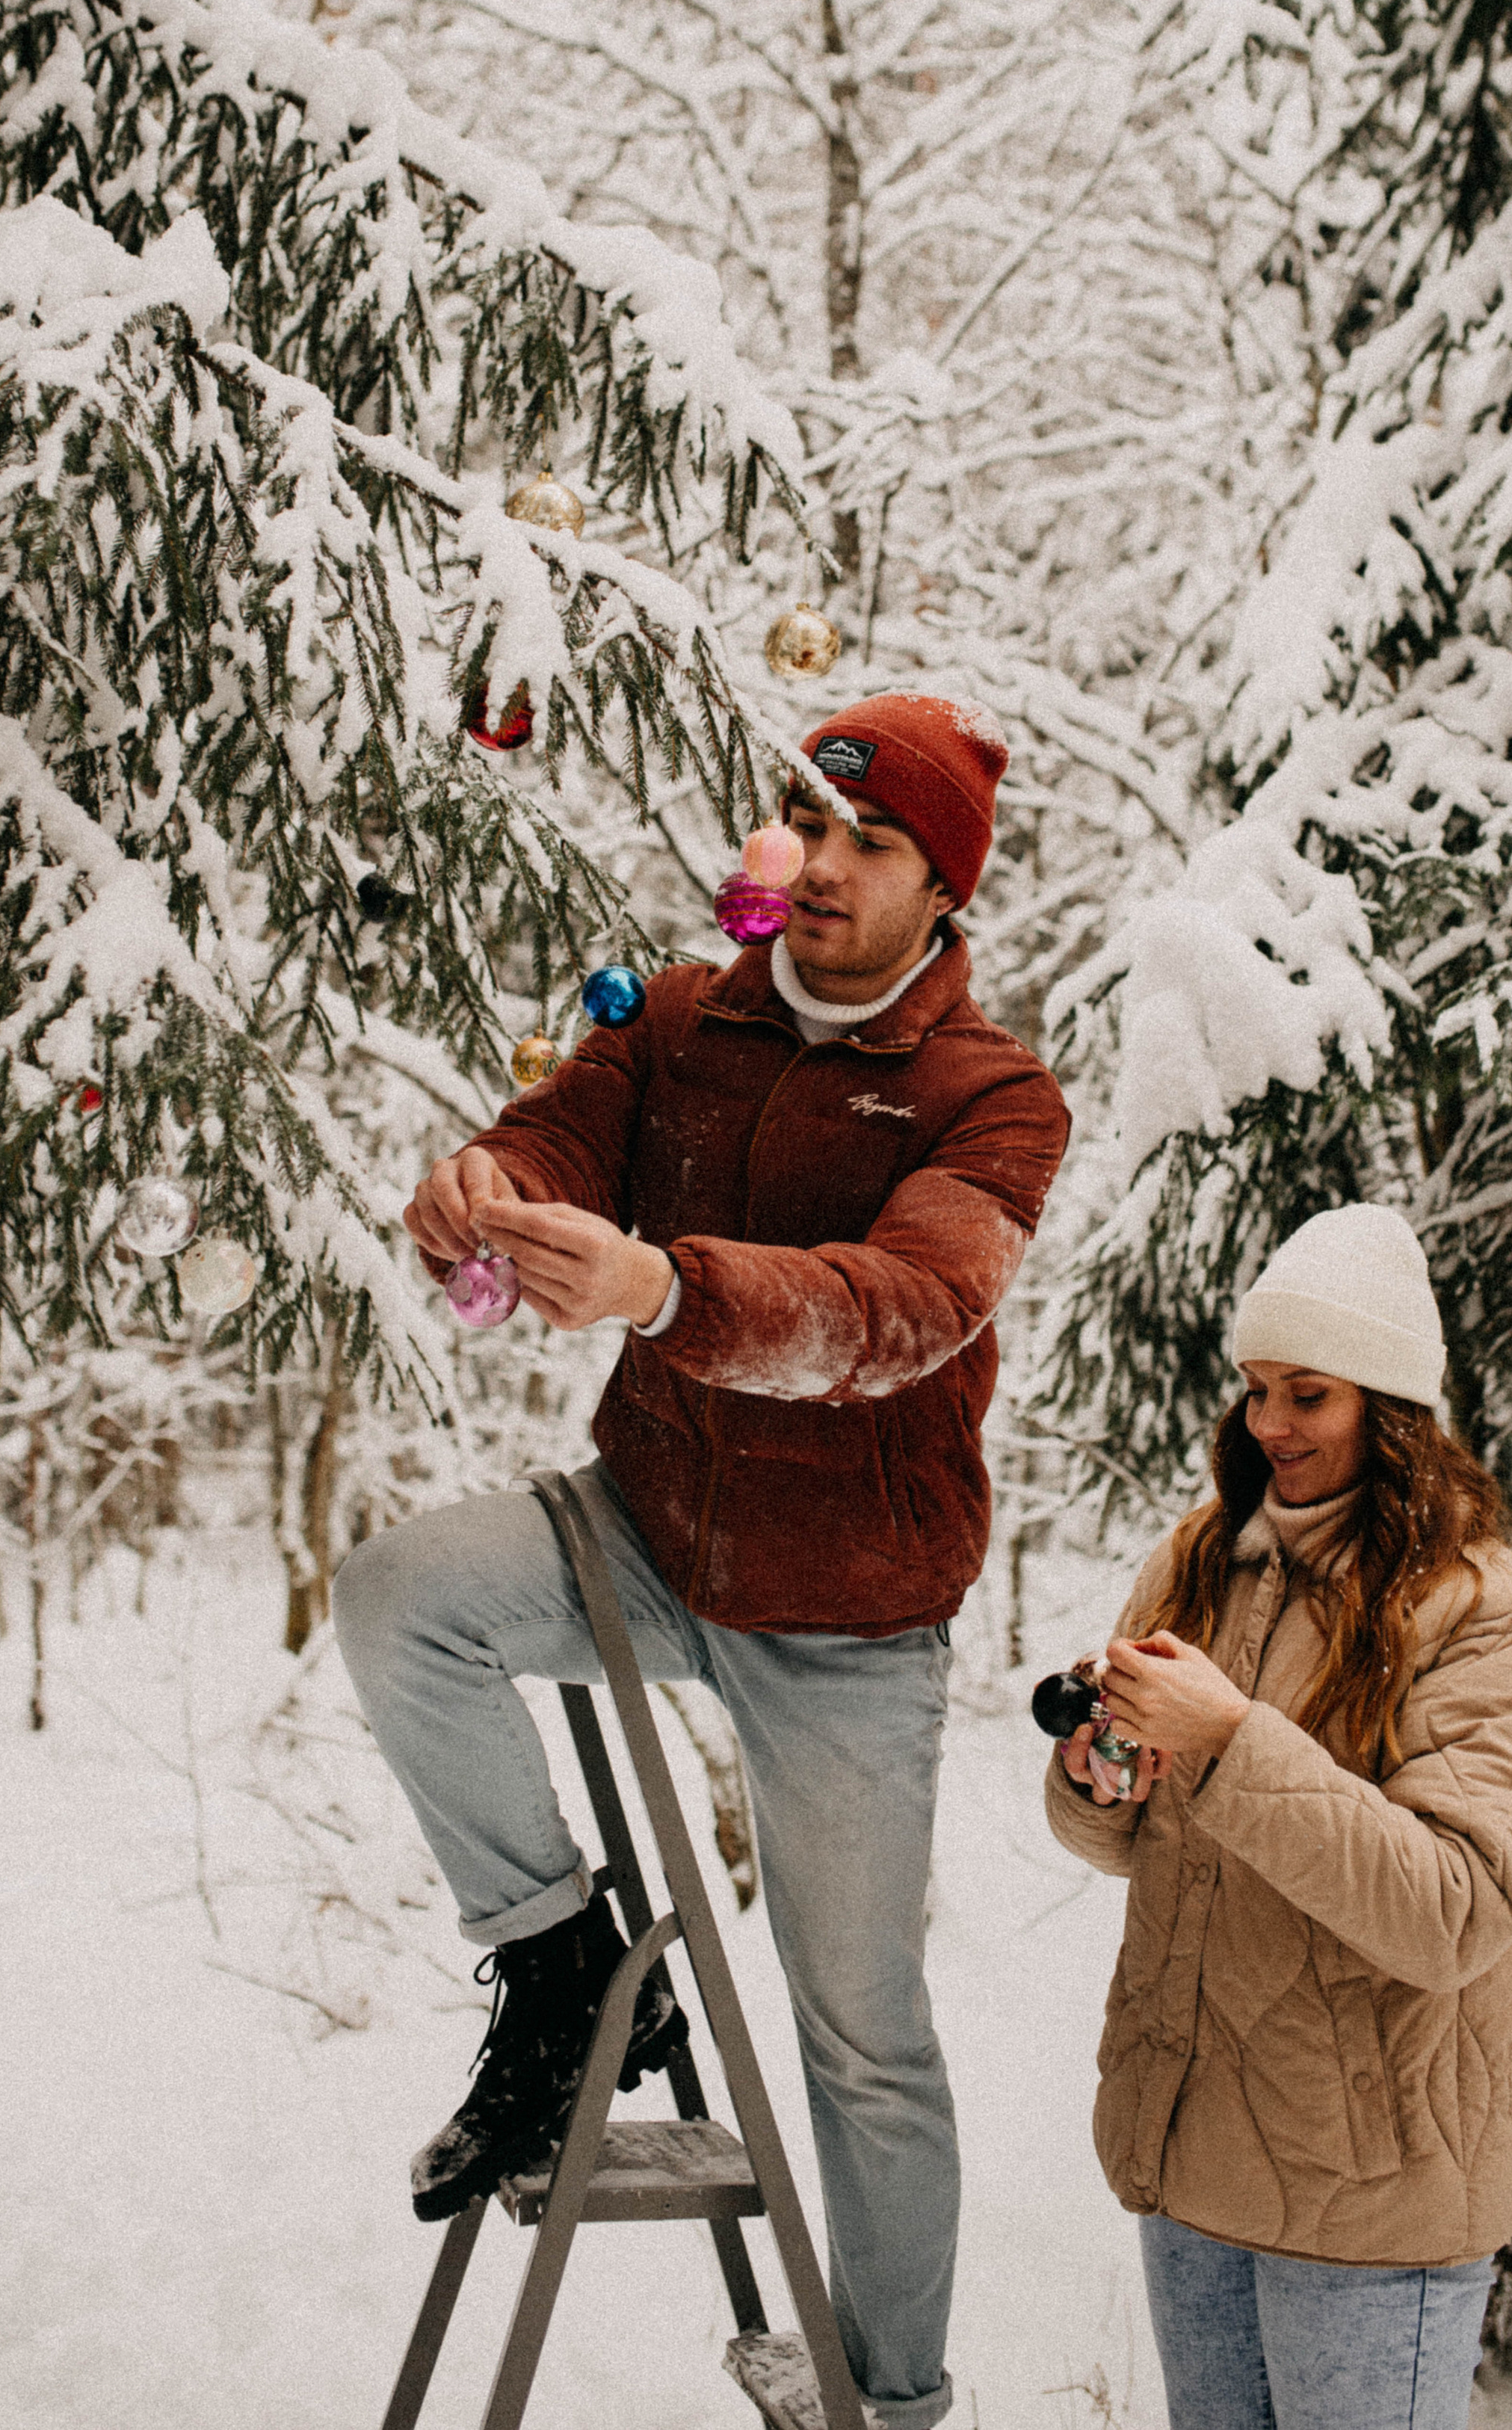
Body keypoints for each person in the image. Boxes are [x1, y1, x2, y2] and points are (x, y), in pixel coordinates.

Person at [335, 691, 1070, 2430]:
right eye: (805, 823)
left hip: (846, 1608)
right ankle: (563, 1965)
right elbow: (555, 1138)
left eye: (868, 843)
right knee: (397, 1598)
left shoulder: (988, 1096)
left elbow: (903, 1311)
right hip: (647, 1525)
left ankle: (887, 2397)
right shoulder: (679, 1019)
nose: (819, 864)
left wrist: (664, 1289)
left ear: (941, 889)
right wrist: (481, 1185)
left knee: (863, 2041)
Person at [1043, 1204, 1512, 2430]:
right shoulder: (1202, 1560)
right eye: (1255, 1389)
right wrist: (1098, 1780)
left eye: (1308, 1393)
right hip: (1194, 2168)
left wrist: (1232, 1740)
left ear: (1389, 1406)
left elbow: (1458, 1911)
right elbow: (1128, 1845)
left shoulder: (1483, 1610)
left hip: (1372, 2205)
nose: (1268, 1423)